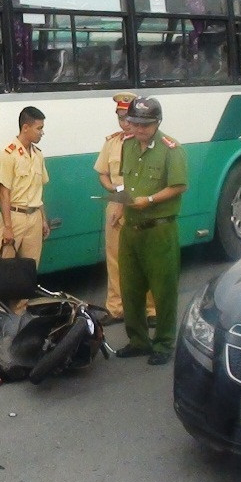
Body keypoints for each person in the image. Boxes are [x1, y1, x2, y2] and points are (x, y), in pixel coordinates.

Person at [115, 96, 188, 365]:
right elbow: (125, 179)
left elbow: (179, 185)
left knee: (163, 288)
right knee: (130, 288)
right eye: (134, 123)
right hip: (131, 228)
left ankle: (164, 342)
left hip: (159, 229)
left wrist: (151, 200)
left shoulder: (171, 149)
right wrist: (120, 202)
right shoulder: (128, 145)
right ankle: (138, 340)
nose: (138, 129)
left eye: (145, 125)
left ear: (157, 122)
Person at [94, 92, 156, 326]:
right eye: (121, 118)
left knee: (144, 258)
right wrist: (112, 188)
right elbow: (102, 173)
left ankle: (150, 309)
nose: (125, 124)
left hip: (138, 205)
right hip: (115, 205)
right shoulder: (112, 142)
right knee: (114, 258)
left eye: (129, 119)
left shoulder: (145, 145)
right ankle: (116, 307)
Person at [0, 106, 50, 267]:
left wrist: (43, 219)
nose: (42, 133)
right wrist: (8, 227)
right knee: (3, 267)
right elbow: (4, 192)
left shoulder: (37, 154)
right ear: (25, 127)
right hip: (14, 216)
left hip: (34, 216)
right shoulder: (8, 154)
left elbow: (39, 191)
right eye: (39, 128)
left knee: (30, 268)